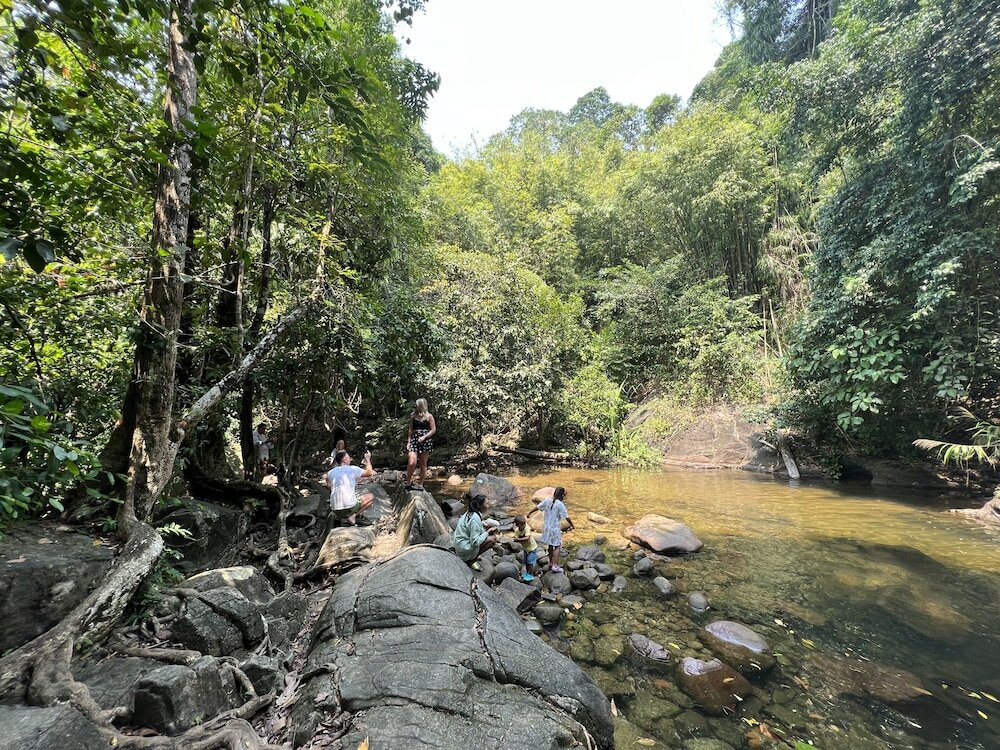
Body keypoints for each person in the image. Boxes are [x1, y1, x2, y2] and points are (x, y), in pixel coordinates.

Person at [327, 449, 375, 526]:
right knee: (370, 497)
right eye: (349, 458)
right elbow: (369, 472)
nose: (350, 459)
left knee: (352, 499)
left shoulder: (330, 472)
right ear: (345, 460)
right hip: (349, 507)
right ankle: (352, 516)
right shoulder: (352, 469)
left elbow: (329, 486)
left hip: (334, 509)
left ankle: (342, 517)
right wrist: (367, 459)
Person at [453, 494, 499, 571]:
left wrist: (483, 524)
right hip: (464, 548)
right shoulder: (475, 518)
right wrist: (488, 532)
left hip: (459, 544)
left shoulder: (470, 512)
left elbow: (472, 527)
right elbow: (475, 542)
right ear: (478, 505)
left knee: (486, 531)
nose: (488, 506)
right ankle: (471, 559)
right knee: (493, 539)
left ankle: (472, 555)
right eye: (486, 504)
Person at [537, 486, 575, 573]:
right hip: (554, 529)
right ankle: (556, 565)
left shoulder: (548, 501)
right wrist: (572, 525)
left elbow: (538, 507)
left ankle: (551, 562)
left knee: (550, 545)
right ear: (562, 495)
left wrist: (529, 513)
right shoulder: (560, 504)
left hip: (547, 528)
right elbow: (566, 517)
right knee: (557, 546)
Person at [405, 398, 436, 490]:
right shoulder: (413, 416)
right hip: (414, 439)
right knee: (412, 462)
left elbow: (433, 429)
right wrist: (409, 441)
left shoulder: (429, 416)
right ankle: (408, 482)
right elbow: (410, 429)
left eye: (417, 404)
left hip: (425, 440)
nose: (415, 406)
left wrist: (424, 437)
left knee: (423, 463)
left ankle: (421, 483)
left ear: (421, 405)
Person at [513, 514, 538, 582]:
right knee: (526, 562)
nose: (524, 525)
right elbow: (516, 537)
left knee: (530, 562)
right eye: (522, 524)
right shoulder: (517, 530)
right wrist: (515, 539)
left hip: (532, 548)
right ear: (517, 525)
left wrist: (518, 539)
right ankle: (527, 573)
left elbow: (527, 538)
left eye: (524, 524)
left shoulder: (527, 528)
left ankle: (530, 574)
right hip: (526, 549)